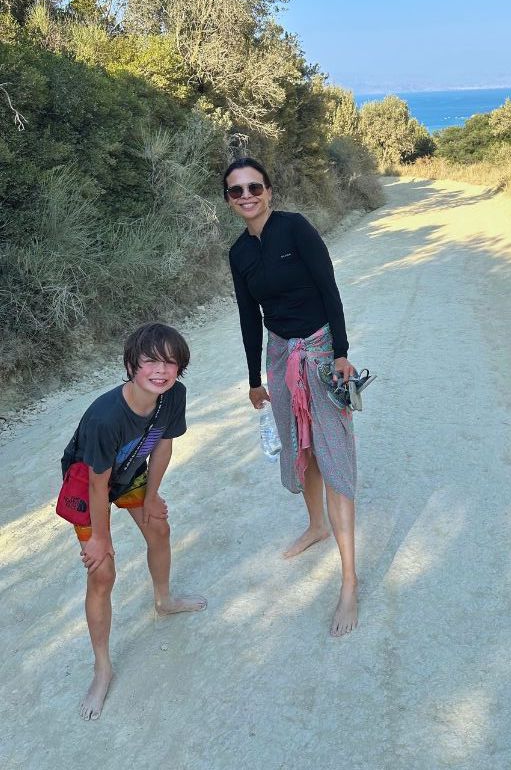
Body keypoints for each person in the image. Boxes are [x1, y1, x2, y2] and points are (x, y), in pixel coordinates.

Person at [225, 157, 360, 637]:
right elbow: (247, 318)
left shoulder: (295, 229)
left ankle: (348, 580)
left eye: (254, 187)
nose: (247, 196)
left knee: (333, 451)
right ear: (229, 200)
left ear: (269, 190)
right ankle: (315, 525)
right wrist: (253, 377)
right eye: (237, 191)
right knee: (301, 447)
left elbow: (329, 288)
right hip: (280, 354)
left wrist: (341, 353)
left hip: (320, 350)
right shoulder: (239, 254)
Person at [60, 322, 207, 720]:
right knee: (102, 572)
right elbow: (96, 482)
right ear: (131, 364)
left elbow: (162, 445)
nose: (161, 370)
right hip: (88, 482)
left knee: (159, 527)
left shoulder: (173, 395)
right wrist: (100, 540)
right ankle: (102, 667)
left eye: (170, 362)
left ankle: (163, 600)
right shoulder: (105, 418)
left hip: (129, 472)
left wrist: (153, 495)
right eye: (150, 361)